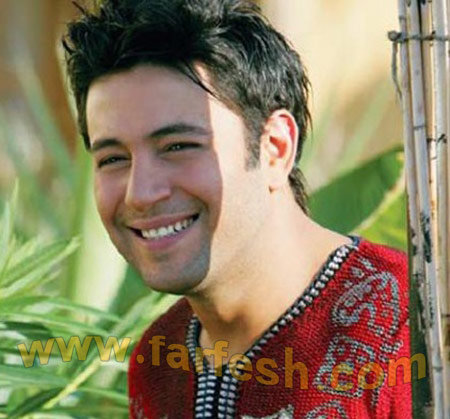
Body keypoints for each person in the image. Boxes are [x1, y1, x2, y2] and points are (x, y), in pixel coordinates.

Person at [63, 0, 411, 417]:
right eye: (113, 159)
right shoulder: (158, 362)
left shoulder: (413, 330)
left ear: (275, 147)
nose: (141, 193)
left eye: (178, 146)